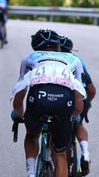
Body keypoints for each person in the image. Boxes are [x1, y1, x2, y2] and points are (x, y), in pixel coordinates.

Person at [11, 29, 86, 177]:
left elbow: (21, 91)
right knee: (60, 153)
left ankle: (31, 172)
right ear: (58, 46)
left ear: (35, 47)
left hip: (38, 98)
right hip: (64, 101)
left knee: (32, 135)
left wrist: (19, 115)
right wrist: (73, 116)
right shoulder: (74, 59)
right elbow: (79, 95)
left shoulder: (30, 57)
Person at [59, 36, 96, 176]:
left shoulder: (51, 59)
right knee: (79, 125)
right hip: (80, 97)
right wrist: (88, 104)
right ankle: (85, 154)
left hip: (60, 98)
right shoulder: (78, 60)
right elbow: (92, 89)